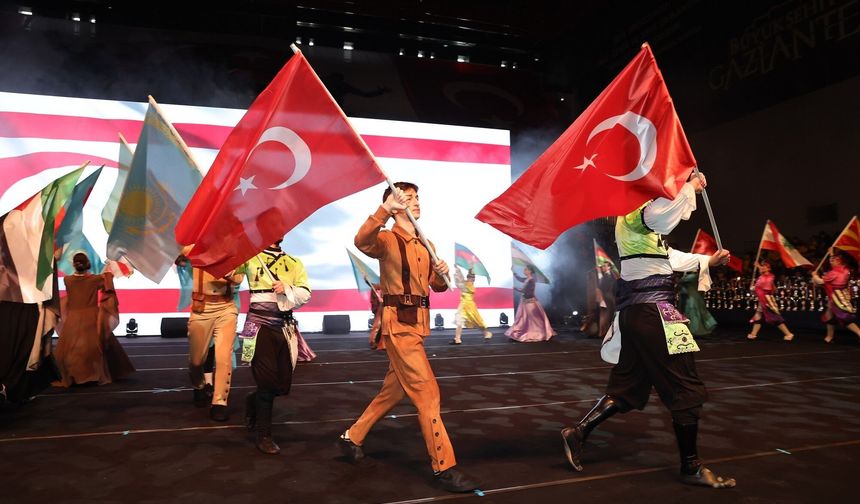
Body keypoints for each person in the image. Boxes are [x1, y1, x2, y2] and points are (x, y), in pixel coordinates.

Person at [560, 172, 736, 489]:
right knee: (685, 386)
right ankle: (691, 467)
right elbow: (665, 217)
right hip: (656, 313)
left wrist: (707, 261)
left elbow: (667, 256)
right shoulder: (635, 215)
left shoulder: (638, 226)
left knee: (627, 387)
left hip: (637, 315)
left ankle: (578, 431)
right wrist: (689, 188)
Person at [338, 182, 479, 493]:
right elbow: (362, 241)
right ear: (395, 204)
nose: (416, 203)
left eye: (417, 198)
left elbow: (435, 287)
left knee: (393, 391)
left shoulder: (425, 244)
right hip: (398, 326)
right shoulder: (386, 239)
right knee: (428, 396)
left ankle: (353, 437)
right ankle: (444, 467)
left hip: (417, 326)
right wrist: (383, 210)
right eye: (409, 199)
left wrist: (441, 274)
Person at [239, 241, 311, 454]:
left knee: (282, 384)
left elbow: (306, 293)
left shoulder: (294, 262)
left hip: (285, 327)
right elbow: (229, 273)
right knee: (266, 380)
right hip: (257, 325)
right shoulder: (250, 256)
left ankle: (253, 400)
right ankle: (264, 435)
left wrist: (287, 288)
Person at [181, 248, 244, 422]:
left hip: (226, 308)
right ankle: (199, 384)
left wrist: (229, 269)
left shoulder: (233, 249)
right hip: (202, 308)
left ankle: (219, 402)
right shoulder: (193, 247)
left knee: (224, 358)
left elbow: (239, 277)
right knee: (196, 361)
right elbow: (179, 255)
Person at [53, 253, 134, 386]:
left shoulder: (67, 280)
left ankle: (75, 375)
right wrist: (110, 268)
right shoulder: (95, 279)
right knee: (97, 346)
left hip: (73, 318)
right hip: (92, 317)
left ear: (74, 264)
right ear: (87, 264)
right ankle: (95, 374)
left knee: (73, 349)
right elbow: (106, 281)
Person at [812, 250, 860, 343]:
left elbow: (820, 282)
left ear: (839, 261)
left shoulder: (835, 273)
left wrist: (814, 276)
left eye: (833, 260)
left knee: (845, 318)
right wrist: (831, 252)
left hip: (837, 298)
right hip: (839, 296)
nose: (831, 261)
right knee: (829, 316)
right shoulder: (845, 269)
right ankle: (829, 337)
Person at [506, 265, 555, 342]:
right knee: (524, 318)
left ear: (530, 271)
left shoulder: (531, 280)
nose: (524, 271)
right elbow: (520, 279)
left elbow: (528, 292)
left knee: (532, 319)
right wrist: (513, 272)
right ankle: (525, 332)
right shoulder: (527, 279)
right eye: (524, 270)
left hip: (530, 302)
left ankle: (536, 333)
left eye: (526, 270)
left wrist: (516, 288)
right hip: (525, 301)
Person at [747, 260, 795, 341]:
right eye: (761, 266)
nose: (761, 267)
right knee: (758, 317)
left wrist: (754, 287)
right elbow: (761, 289)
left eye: (764, 266)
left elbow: (767, 288)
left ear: (768, 268)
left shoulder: (770, 277)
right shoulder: (761, 277)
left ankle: (788, 334)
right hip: (761, 300)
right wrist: (753, 288)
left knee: (775, 318)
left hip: (766, 301)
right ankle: (753, 334)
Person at [450, 268, 493, 344]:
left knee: (477, 321)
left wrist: (458, 271)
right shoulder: (466, 284)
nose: (472, 279)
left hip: (470, 306)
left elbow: (460, 282)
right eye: (471, 277)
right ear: (468, 277)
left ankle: (486, 333)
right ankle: (457, 338)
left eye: (473, 277)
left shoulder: (470, 286)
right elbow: (459, 282)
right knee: (459, 321)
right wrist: (457, 270)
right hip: (463, 306)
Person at [678, 271, 717, 336]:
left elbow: (681, 281)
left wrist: (683, 275)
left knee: (694, 312)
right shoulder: (696, 276)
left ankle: (695, 330)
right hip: (693, 296)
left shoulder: (692, 277)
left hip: (692, 297)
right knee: (696, 312)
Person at [369, 282, 383, 349]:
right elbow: (375, 286)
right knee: (378, 324)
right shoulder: (384, 281)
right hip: (383, 306)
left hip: (389, 305)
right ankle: (374, 341)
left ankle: (379, 342)